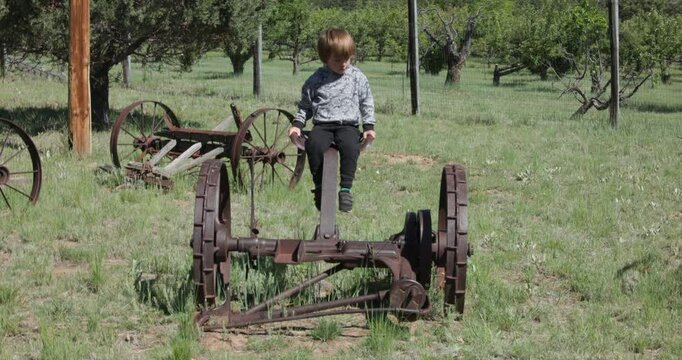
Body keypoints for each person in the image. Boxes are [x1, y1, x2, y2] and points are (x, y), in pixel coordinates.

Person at [288, 27, 376, 212]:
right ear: (325, 58)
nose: (344, 64)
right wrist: (297, 125)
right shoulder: (315, 80)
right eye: (337, 60)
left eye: (347, 58)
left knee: (350, 147)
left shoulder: (358, 77)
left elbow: (366, 101)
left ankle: (345, 189)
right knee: (314, 145)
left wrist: (368, 126)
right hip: (323, 125)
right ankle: (320, 188)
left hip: (348, 125)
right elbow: (305, 106)